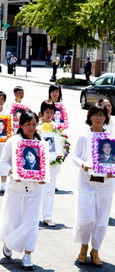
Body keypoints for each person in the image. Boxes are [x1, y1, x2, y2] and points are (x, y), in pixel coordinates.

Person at [0, 110, 46, 270]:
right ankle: (9, 242)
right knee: (14, 221)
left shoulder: (40, 142)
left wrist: (43, 175)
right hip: (16, 188)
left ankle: (27, 255)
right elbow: (2, 163)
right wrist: (12, 171)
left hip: (35, 189)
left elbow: (43, 165)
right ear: (21, 125)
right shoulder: (13, 141)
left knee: (31, 223)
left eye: (34, 124)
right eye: (28, 124)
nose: (32, 128)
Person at [73, 104, 114, 267]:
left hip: (106, 184)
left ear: (106, 117)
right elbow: (75, 157)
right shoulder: (84, 136)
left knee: (102, 219)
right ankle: (83, 247)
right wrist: (83, 165)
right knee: (87, 217)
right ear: (89, 117)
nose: (98, 118)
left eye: (101, 115)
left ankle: (95, 250)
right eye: (95, 115)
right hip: (87, 183)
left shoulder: (110, 137)